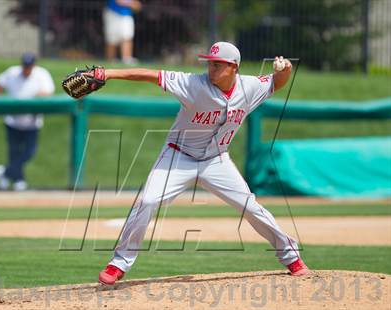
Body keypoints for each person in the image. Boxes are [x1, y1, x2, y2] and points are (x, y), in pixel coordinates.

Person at [94, 42, 309, 285]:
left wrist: (285, 71)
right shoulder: (193, 84)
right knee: (148, 201)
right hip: (178, 157)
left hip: (216, 161)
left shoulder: (249, 87)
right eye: (210, 63)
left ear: (234, 67)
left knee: (250, 206)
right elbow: (150, 75)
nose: (211, 68)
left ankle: (292, 258)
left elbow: (274, 83)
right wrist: (108, 74)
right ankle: (118, 264)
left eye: (218, 64)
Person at [0, 52, 55, 191]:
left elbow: (49, 92)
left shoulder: (41, 74)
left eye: (29, 65)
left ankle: (4, 172)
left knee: (29, 152)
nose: (27, 68)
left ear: (33, 65)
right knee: (14, 152)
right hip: (13, 121)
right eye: (25, 65)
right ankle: (18, 180)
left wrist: (36, 97)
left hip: (32, 122)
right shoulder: (12, 72)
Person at [103, 0, 142, 64]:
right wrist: (132, 4)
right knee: (112, 38)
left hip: (126, 14)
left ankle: (127, 59)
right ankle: (110, 60)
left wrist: (135, 5)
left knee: (127, 36)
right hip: (113, 13)